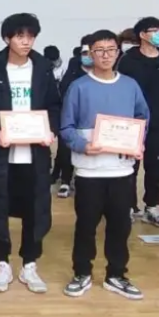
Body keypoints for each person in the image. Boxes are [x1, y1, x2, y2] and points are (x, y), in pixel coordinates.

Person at [0, 13, 62, 294]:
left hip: (34, 157)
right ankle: (2, 264)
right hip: (0, 157)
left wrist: (51, 129)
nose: (26, 41)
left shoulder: (43, 70)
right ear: (7, 38)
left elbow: (55, 105)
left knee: (36, 210)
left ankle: (29, 265)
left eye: (31, 36)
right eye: (20, 36)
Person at [59, 29, 149, 299]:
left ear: (118, 53)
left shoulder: (130, 86)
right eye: (99, 50)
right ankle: (82, 272)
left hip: (122, 170)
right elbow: (66, 127)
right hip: (90, 171)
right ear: (90, 54)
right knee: (86, 225)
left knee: (121, 226)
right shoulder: (78, 87)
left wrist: (139, 142)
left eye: (111, 50)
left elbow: (143, 118)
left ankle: (116, 274)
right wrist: (83, 145)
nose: (106, 55)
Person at [117, 16, 159, 227]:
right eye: (154, 30)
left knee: (156, 165)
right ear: (142, 35)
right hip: (131, 122)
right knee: (129, 166)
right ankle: (128, 206)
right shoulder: (127, 60)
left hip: (158, 122)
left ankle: (152, 206)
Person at [53, 37, 92, 198]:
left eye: (90, 52)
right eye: (84, 53)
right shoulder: (74, 67)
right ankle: (65, 181)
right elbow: (64, 89)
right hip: (72, 116)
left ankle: (84, 182)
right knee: (66, 149)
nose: (87, 56)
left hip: (92, 119)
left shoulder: (102, 70)